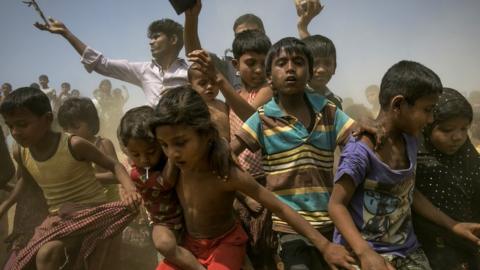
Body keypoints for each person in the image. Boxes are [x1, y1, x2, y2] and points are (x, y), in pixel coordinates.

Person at [153, 85, 355, 270]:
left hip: (224, 244)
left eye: (180, 143)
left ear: (205, 135)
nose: (172, 152)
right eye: (164, 145)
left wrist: (324, 245)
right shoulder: (174, 167)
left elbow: (280, 207)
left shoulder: (225, 173)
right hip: (188, 246)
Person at [328, 61, 480, 270]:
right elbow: (336, 206)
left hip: (407, 251)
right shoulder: (361, 151)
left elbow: (408, 192)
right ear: (398, 104)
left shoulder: (411, 140)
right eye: (427, 110)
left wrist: (453, 225)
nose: (430, 118)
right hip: (364, 251)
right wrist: (365, 252)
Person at [232, 37, 357, 270]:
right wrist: (250, 192)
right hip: (289, 226)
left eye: (298, 62)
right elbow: (229, 153)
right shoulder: (261, 117)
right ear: (269, 77)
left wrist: (367, 124)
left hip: (329, 219)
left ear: (309, 73)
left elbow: (357, 140)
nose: (290, 68)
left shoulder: (328, 111)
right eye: (282, 63)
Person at [0, 87, 141, 270]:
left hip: (92, 213)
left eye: (22, 124)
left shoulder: (73, 144)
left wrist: (130, 190)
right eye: (10, 126)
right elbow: (25, 181)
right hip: (59, 219)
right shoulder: (21, 152)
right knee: (42, 254)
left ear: (48, 119)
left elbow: (114, 165)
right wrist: (5, 206)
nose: (15, 132)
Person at [117, 106, 205, 270]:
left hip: (192, 217)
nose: (144, 159)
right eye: (136, 154)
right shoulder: (139, 174)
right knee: (163, 244)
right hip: (165, 223)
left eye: (151, 151)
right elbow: (166, 182)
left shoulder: (170, 158)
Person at [35, 17, 188, 107]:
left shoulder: (191, 73)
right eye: (150, 38)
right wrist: (66, 34)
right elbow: (101, 64)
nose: (151, 42)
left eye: (156, 37)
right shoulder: (143, 70)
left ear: (173, 40)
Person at [414, 88, 480, 270]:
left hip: (470, 241)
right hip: (431, 247)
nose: (458, 136)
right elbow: (410, 195)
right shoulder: (413, 155)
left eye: (464, 129)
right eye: (447, 129)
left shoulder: (469, 157)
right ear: (427, 127)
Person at [184, 0, 267, 90]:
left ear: (263, 33)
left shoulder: (277, 60)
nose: (247, 39)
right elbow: (194, 52)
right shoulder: (229, 67)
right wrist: (191, 17)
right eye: (239, 36)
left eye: (251, 33)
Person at [57, 97, 121, 202]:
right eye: (65, 129)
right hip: (83, 205)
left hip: (108, 203)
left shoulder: (103, 144)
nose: (70, 132)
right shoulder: (67, 149)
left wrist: (86, 177)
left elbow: (117, 175)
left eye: (75, 127)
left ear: (91, 123)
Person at [295, 0, 343, 109]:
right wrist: (302, 27)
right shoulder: (292, 96)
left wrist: (302, 27)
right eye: (315, 63)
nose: (321, 69)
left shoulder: (335, 103)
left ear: (334, 68)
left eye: (327, 63)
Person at [188, 64, 230, 140]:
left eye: (213, 82)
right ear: (191, 87)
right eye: (203, 83)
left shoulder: (223, 105)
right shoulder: (192, 108)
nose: (210, 86)